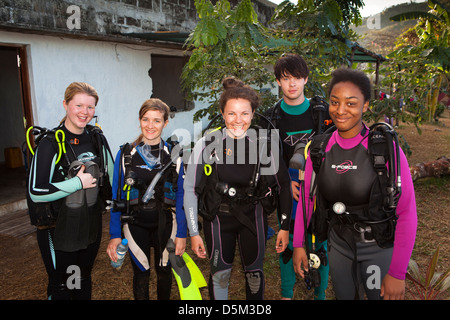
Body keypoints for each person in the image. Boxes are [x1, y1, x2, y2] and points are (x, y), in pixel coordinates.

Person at [292, 67, 417, 300]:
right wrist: (299, 243)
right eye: (334, 102)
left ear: (365, 105)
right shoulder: (319, 149)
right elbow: (307, 201)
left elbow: (407, 212)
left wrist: (397, 273)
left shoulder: (384, 150)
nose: (340, 110)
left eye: (351, 103)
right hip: (339, 246)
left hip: (377, 248)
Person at [183, 77, 293, 300]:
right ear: (222, 114)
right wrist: (194, 232)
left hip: (254, 217)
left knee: (254, 276)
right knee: (219, 277)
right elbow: (190, 188)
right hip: (218, 220)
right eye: (231, 113)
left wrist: (285, 226)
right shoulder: (207, 144)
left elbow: (283, 187)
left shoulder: (265, 145)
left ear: (253, 114)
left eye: (244, 113)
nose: (238, 120)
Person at [27, 82, 114, 300]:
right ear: (65, 104)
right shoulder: (50, 143)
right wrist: (77, 183)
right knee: (63, 286)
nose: (85, 113)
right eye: (79, 105)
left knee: (82, 278)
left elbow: (113, 178)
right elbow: (36, 191)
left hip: (90, 225)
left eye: (90, 107)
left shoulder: (96, 138)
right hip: (58, 229)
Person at [261, 53, 329, 300]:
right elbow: (268, 160)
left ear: (306, 79)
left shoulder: (321, 113)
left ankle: (320, 295)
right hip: (287, 192)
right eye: (286, 78)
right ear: (278, 81)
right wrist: (286, 181)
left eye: (297, 78)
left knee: (320, 243)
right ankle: (286, 295)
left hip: (319, 190)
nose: (292, 84)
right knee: (287, 242)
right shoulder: (271, 118)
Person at [107, 98, 187, 300]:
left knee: (164, 271)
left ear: (165, 123)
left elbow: (181, 196)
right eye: (145, 119)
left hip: (167, 223)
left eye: (157, 120)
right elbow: (116, 195)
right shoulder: (125, 155)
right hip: (135, 224)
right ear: (139, 120)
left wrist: (182, 234)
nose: (150, 126)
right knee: (141, 274)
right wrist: (115, 234)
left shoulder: (174, 155)